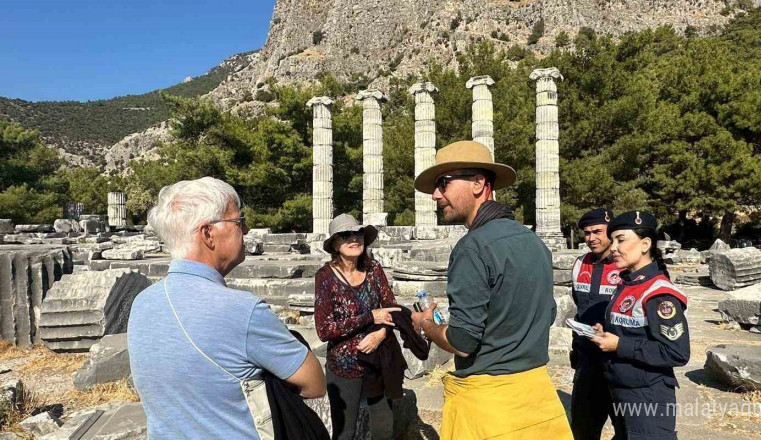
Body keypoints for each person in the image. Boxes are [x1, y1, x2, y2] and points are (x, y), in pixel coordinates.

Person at [128, 177, 325, 440]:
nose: (246, 230)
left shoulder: (142, 302)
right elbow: (314, 384)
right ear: (208, 233)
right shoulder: (243, 310)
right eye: (239, 222)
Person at [410, 140, 573, 440]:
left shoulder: (472, 248)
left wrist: (426, 325)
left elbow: (462, 341)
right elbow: (546, 313)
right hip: (539, 399)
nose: (435, 194)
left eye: (443, 183)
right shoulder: (535, 243)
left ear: (478, 183)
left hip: (490, 408)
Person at [589, 211, 690, 440]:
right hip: (622, 390)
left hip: (648, 398)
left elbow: (676, 352)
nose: (613, 247)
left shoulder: (660, 294)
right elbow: (631, 331)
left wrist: (619, 345)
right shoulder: (628, 283)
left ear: (645, 244)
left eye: (620, 240)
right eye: (612, 240)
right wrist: (606, 335)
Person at [314, 214, 402, 440]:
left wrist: (381, 333)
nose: (354, 239)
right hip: (344, 368)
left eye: (358, 233)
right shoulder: (325, 277)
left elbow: (391, 309)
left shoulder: (374, 269)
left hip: (378, 361)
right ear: (334, 243)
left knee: (384, 431)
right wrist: (370, 317)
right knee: (345, 434)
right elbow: (324, 330)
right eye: (345, 235)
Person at [569, 208, 625, 440]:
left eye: (598, 232)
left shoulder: (626, 264)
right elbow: (578, 307)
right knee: (582, 430)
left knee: (627, 431)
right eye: (587, 233)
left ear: (611, 233)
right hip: (587, 363)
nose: (592, 238)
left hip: (619, 363)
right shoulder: (579, 264)